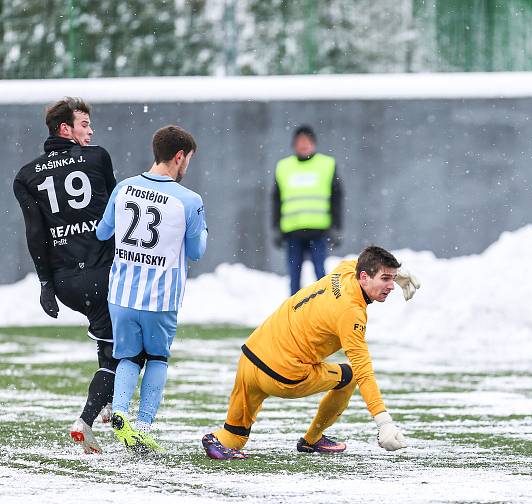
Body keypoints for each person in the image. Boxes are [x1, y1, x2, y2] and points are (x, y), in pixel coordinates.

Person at [201, 246, 421, 460]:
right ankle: (312, 439)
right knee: (351, 376)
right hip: (280, 374)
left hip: (250, 358)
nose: (391, 286)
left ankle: (215, 440)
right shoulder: (351, 312)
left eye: (391, 279)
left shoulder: (344, 271)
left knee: (234, 437)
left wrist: (396, 273)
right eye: (385, 279)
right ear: (363, 278)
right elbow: (364, 371)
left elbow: (360, 263)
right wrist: (384, 423)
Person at [13, 97, 118, 454]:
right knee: (127, 350)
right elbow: (115, 213)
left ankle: (106, 403)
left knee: (107, 336)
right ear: (65, 129)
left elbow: (35, 234)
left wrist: (45, 283)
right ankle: (88, 419)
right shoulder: (97, 157)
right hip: (105, 273)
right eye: (84, 124)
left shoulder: (26, 175)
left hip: (67, 283)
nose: (90, 131)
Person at [96, 125, 207, 454]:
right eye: (188, 160)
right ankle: (142, 425)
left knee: (128, 357)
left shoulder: (124, 188)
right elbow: (197, 251)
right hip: (160, 298)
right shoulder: (190, 200)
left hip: (122, 294)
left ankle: (119, 412)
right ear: (179, 157)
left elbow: (103, 233)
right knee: (157, 357)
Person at [272, 125, 343, 295]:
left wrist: (336, 227)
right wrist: (276, 227)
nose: (304, 145)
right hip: (292, 231)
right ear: (294, 145)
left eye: (307, 141)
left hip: (319, 231)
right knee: (294, 277)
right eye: (300, 142)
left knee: (321, 275)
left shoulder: (327, 164)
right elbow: (276, 199)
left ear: (314, 144)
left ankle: (324, 310)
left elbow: (337, 198)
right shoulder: (284, 166)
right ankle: (294, 314)